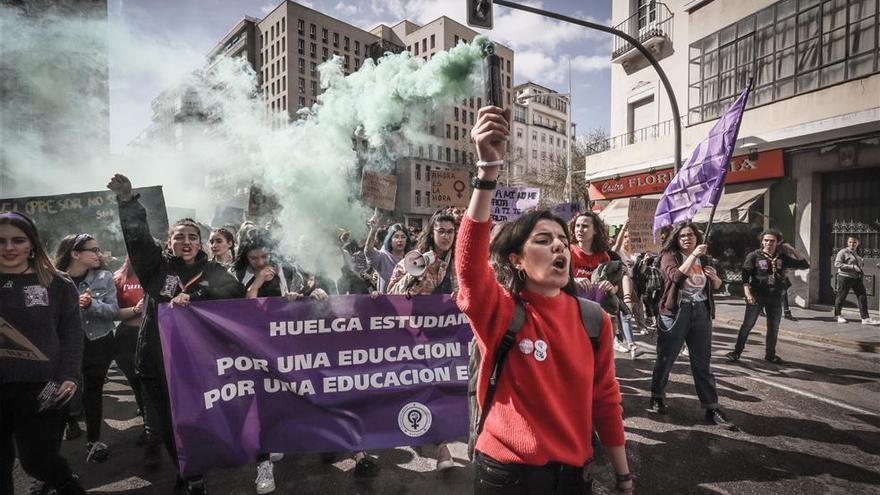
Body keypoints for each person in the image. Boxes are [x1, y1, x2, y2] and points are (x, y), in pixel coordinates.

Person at [459, 106, 633, 494]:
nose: (558, 245)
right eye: (542, 239)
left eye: (562, 240)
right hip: (506, 476)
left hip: (574, 476)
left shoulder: (595, 321)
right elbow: (470, 268)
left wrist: (623, 475)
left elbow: (605, 400)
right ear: (517, 260)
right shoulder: (501, 311)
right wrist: (487, 171)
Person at [107, 174, 245, 495]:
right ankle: (188, 473)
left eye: (193, 237)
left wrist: (195, 298)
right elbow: (138, 239)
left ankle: (196, 466)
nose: (186, 241)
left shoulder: (213, 272)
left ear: (200, 243)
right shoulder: (156, 269)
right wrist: (128, 201)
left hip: (197, 365)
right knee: (169, 425)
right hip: (155, 361)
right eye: (179, 236)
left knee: (195, 420)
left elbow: (234, 299)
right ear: (169, 242)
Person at [232, 234, 327, 495]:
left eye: (264, 257)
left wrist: (307, 295)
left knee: (280, 396)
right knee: (258, 404)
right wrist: (258, 281)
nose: (261, 262)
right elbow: (244, 307)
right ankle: (262, 465)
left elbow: (294, 299)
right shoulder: (238, 273)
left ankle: (277, 440)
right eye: (254, 258)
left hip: (279, 346)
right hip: (250, 348)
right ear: (245, 257)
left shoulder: (284, 270)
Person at [0, 212, 87, 495]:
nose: (9, 247)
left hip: (45, 388)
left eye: (18, 240)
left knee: (39, 461)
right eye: (1, 241)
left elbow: (72, 336)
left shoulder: (58, 284)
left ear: (32, 244)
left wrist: (69, 376)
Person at [386, 211, 458, 472]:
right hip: (413, 336)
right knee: (417, 388)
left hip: (445, 338)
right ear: (432, 232)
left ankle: (442, 447)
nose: (446, 236)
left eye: (450, 231)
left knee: (439, 388)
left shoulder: (458, 261)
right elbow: (391, 293)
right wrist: (415, 273)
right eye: (441, 231)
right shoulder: (415, 258)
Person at [648, 222, 734, 430]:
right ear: (677, 239)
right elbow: (676, 277)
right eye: (683, 236)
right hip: (676, 313)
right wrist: (694, 255)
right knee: (666, 358)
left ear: (697, 237)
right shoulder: (669, 256)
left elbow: (717, 286)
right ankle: (657, 396)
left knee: (702, 363)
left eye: (691, 235)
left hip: (701, 312)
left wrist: (715, 280)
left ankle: (711, 407)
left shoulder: (705, 258)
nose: (687, 239)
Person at [54, 233, 119, 463]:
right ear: (75, 253)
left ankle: (94, 441)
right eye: (94, 249)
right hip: (65, 346)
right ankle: (55, 449)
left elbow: (113, 311)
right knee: (62, 391)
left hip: (98, 342)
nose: (99, 254)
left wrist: (92, 304)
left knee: (93, 391)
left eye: (98, 249)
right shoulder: (54, 280)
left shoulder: (104, 277)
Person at [726, 230, 810, 364]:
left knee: (773, 327)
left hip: (775, 297)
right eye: (766, 240)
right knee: (748, 325)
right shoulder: (754, 256)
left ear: (777, 243)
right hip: (757, 296)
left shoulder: (782, 257)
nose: (768, 243)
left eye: (772, 241)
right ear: (762, 241)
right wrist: (747, 294)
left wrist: (792, 249)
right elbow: (745, 276)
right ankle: (736, 352)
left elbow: (805, 264)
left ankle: (770, 355)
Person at [112, 258, 149, 451]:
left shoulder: (162, 276)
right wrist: (135, 310)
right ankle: (148, 427)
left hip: (153, 336)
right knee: (137, 385)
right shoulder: (118, 277)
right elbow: (112, 312)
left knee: (154, 386)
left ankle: (159, 428)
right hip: (127, 338)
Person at [833, 236, 880, 325]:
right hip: (845, 277)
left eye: (854, 242)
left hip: (856, 278)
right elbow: (837, 264)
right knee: (841, 297)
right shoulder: (843, 252)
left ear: (858, 243)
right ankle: (838, 315)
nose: (852, 244)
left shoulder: (857, 252)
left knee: (862, 296)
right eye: (850, 242)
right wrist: (852, 267)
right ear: (847, 243)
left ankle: (865, 318)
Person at [364, 214, 412, 294]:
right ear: (390, 240)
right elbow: (368, 251)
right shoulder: (383, 257)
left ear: (407, 241)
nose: (399, 240)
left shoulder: (411, 259)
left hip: (406, 304)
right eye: (396, 237)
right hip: (386, 304)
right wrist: (373, 230)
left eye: (403, 237)